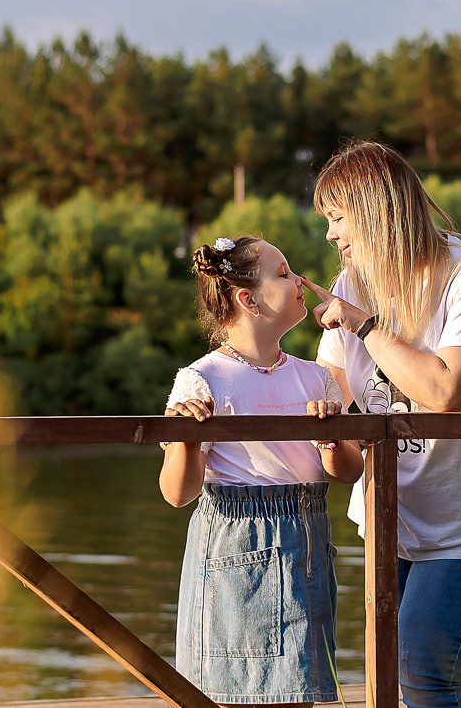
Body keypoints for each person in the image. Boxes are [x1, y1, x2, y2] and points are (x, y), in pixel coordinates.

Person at [300, 141, 461, 708]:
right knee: (404, 678)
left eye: (338, 219)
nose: (330, 235)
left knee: (424, 674)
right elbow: (329, 393)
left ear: (375, 213)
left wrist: (367, 328)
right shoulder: (351, 284)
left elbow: (445, 390)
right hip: (390, 519)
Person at [160, 234, 365, 708]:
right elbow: (177, 493)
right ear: (248, 299)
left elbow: (349, 470)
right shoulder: (202, 378)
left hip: (305, 551)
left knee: (299, 695)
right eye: (284, 273)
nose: (300, 281)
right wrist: (188, 440)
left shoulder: (315, 376)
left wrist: (331, 440)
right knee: (232, 696)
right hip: (234, 554)